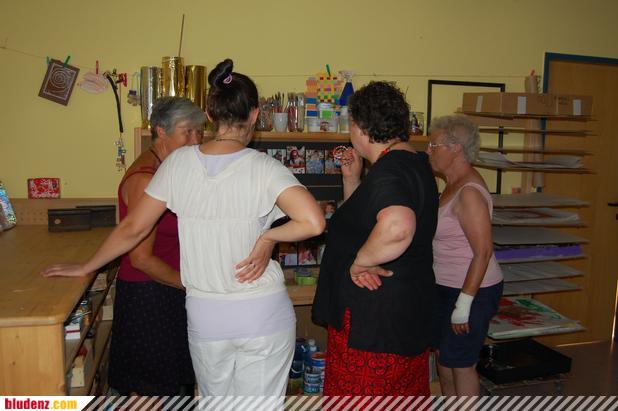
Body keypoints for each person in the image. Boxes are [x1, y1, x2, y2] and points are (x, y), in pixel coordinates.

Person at [42, 58, 325, 397]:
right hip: (261, 314)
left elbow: (133, 228)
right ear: (254, 115)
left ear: (209, 114)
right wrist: (269, 236)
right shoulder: (265, 168)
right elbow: (313, 221)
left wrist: (87, 267)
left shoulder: (177, 163)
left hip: (206, 316)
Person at [44, 96, 205, 395]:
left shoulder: (166, 168)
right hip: (151, 296)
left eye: (199, 132)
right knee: (151, 390)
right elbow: (141, 257)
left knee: (169, 387)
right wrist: (191, 284)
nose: (196, 141)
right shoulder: (146, 179)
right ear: (161, 131)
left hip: (166, 289)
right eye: (187, 132)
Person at [312, 81, 439, 396]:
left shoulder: (389, 171)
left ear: (360, 127)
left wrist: (360, 263)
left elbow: (398, 227)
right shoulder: (414, 164)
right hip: (403, 318)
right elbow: (367, 226)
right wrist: (353, 181)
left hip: (374, 327)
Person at [427, 114, 503, 396]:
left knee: (461, 364)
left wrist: (464, 304)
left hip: (473, 290)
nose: (429, 151)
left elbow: (483, 252)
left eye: (434, 145)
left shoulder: (469, 193)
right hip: (444, 286)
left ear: (456, 148)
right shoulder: (451, 184)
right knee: (444, 361)